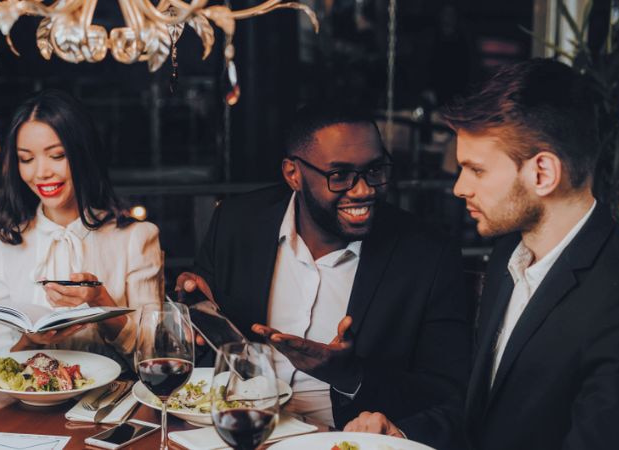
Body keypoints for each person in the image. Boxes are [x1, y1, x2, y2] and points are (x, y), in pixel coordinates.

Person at [344, 58, 619, 450]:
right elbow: (485, 413)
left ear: (542, 173)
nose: (459, 187)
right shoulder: (506, 257)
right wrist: (403, 436)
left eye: (475, 170)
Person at [176, 102, 471, 427]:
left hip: (340, 437)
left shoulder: (427, 255)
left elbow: (447, 391)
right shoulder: (236, 221)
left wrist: (350, 375)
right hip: (234, 426)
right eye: (340, 175)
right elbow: (204, 325)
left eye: (375, 170)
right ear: (293, 174)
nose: (363, 190)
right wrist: (195, 305)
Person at [0, 90, 163, 367]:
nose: (41, 172)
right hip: (27, 405)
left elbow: (152, 353)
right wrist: (31, 340)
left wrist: (100, 301)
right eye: (26, 159)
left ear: (83, 154)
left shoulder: (136, 238)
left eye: (57, 155)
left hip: (111, 404)